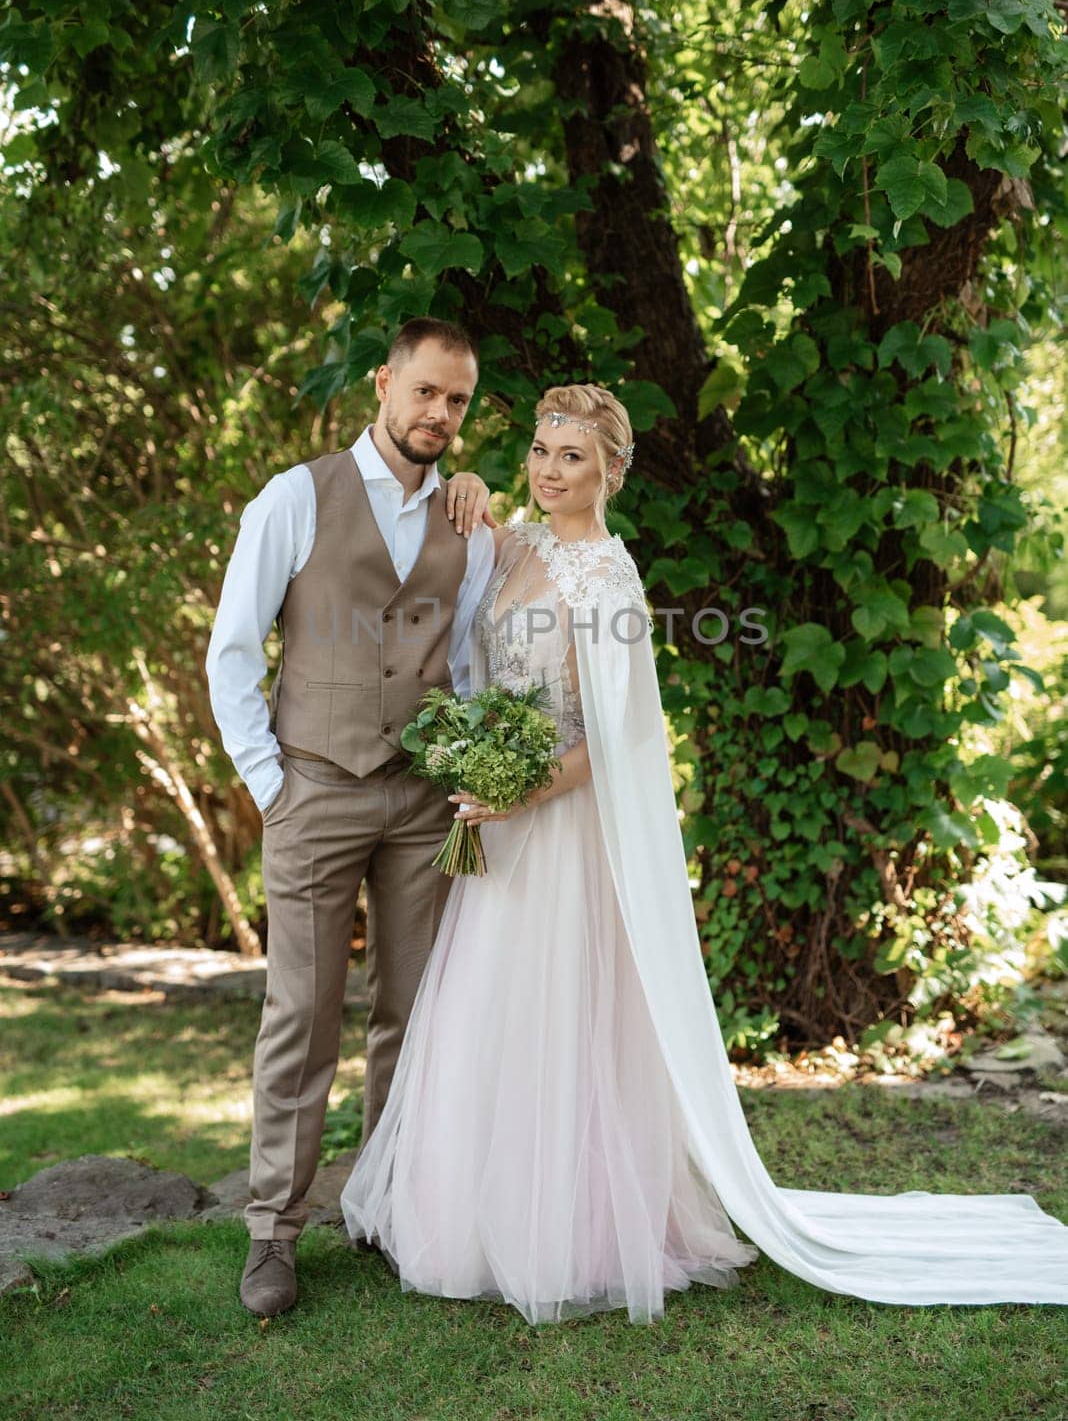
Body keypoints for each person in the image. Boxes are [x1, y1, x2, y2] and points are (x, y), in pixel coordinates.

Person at [340, 381, 1068, 1325]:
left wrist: (520, 789)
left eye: (572, 456)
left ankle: (570, 1230)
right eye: (540, 450)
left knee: (556, 1017)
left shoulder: (609, 578)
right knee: (484, 1013)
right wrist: (472, 477)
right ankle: (472, 1216)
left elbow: (614, 739)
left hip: (557, 829)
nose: (551, 469)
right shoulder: (514, 545)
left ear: (611, 470)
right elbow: (456, 549)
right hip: (498, 827)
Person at [205, 316, 499, 1318]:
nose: (438, 415)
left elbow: (463, 661)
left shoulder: (467, 518)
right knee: (304, 1014)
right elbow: (233, 649)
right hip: (315, 788)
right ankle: (272, 1235)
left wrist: (466, 768)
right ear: (384, 383)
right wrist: (272, 785)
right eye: (424, 391)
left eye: (456, 400)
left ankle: (384, 1207)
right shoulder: (298, 496)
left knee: (412, 1015)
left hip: (421, 799)